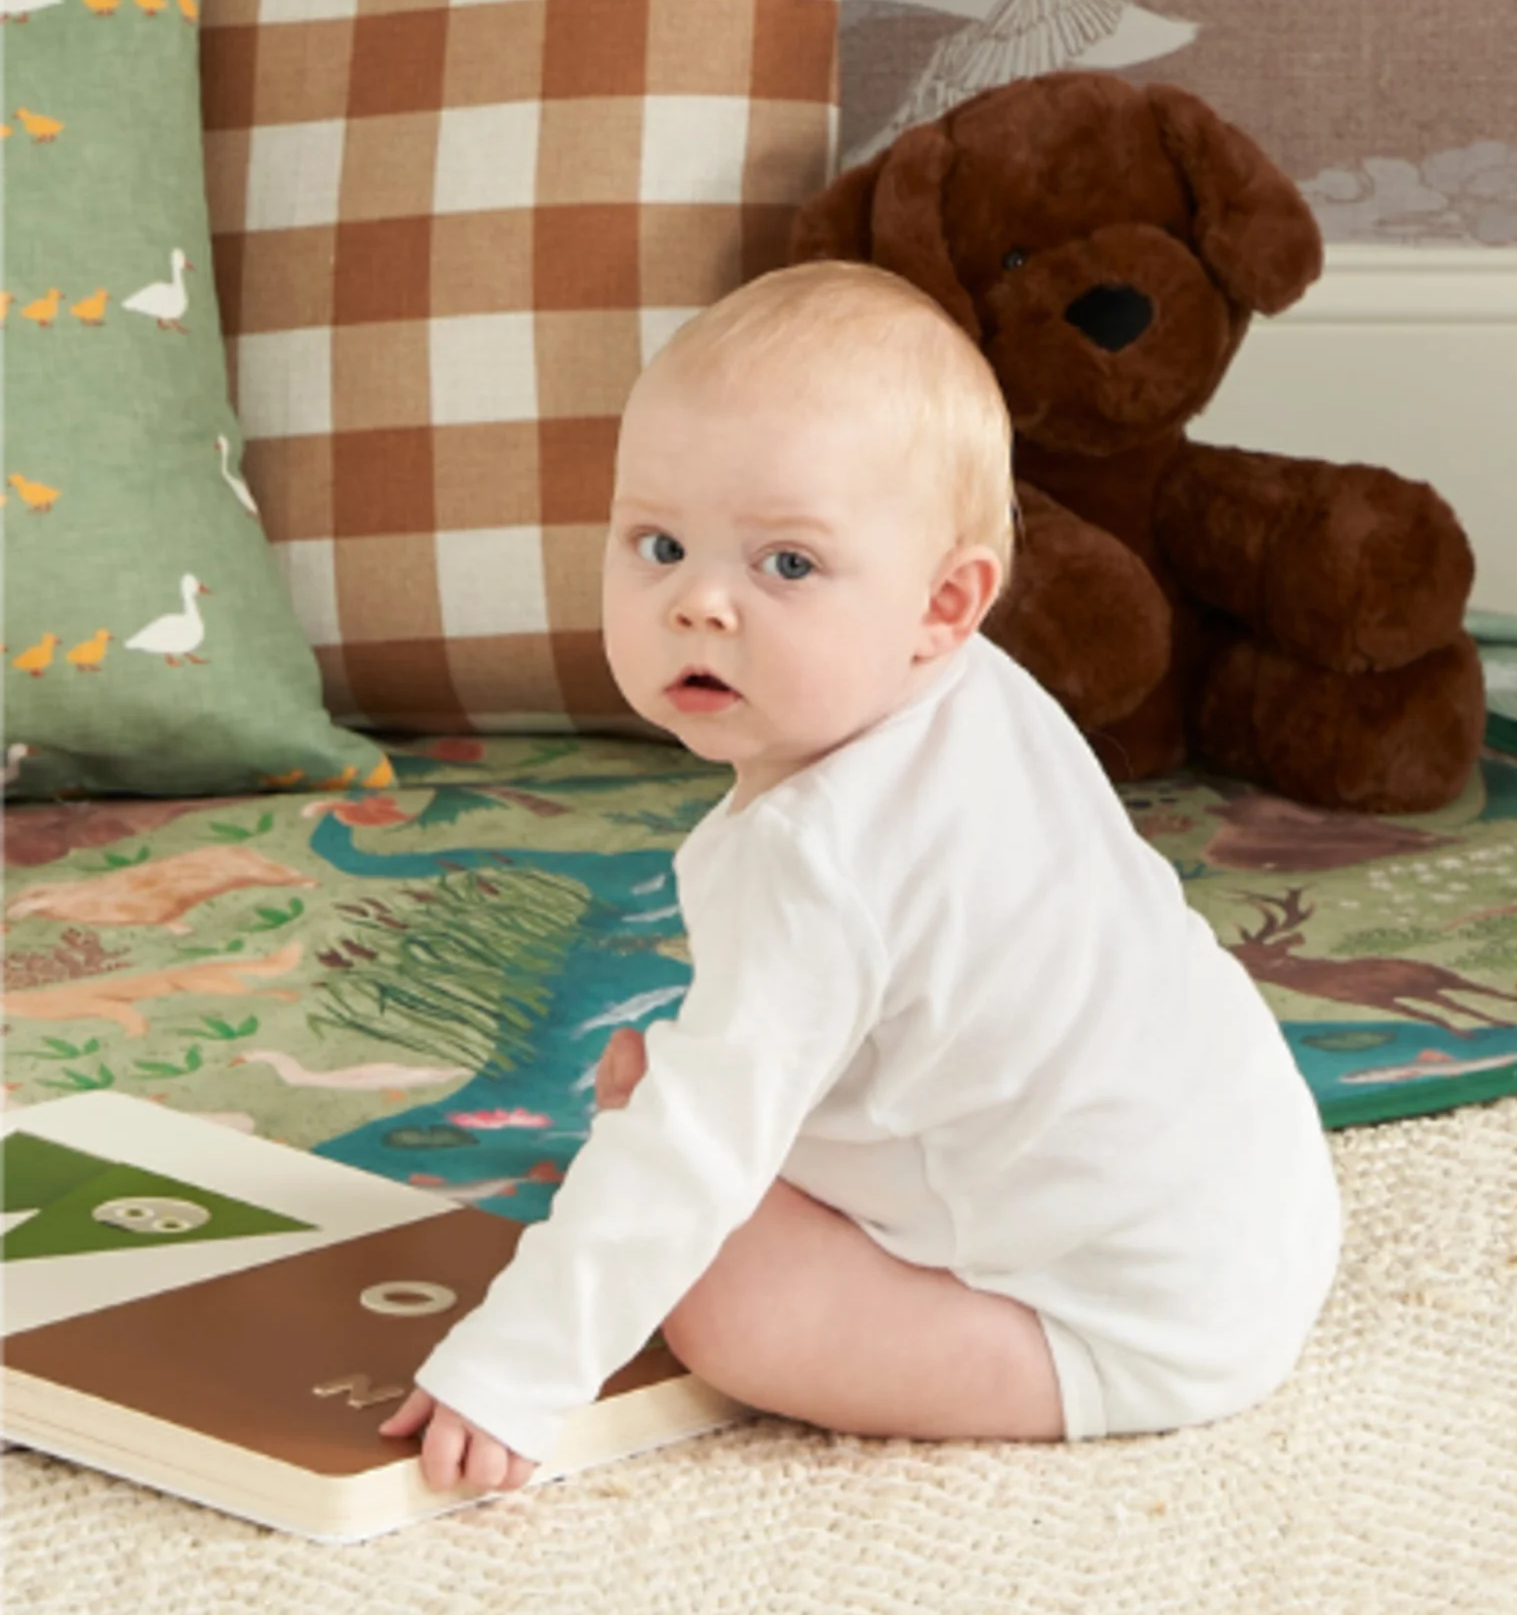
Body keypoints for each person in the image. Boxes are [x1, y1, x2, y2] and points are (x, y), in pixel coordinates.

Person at [382, 259, 1344, 1495]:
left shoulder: (813, 857)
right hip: (1258, 1214)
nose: (701, 606)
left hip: (1122, 1328)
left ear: (945, 601)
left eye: (787, 565)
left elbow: (690, 1158)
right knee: (698, 1091)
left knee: (717, 1282)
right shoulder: (980, 697)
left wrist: (513, 1369)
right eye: (660, 545)